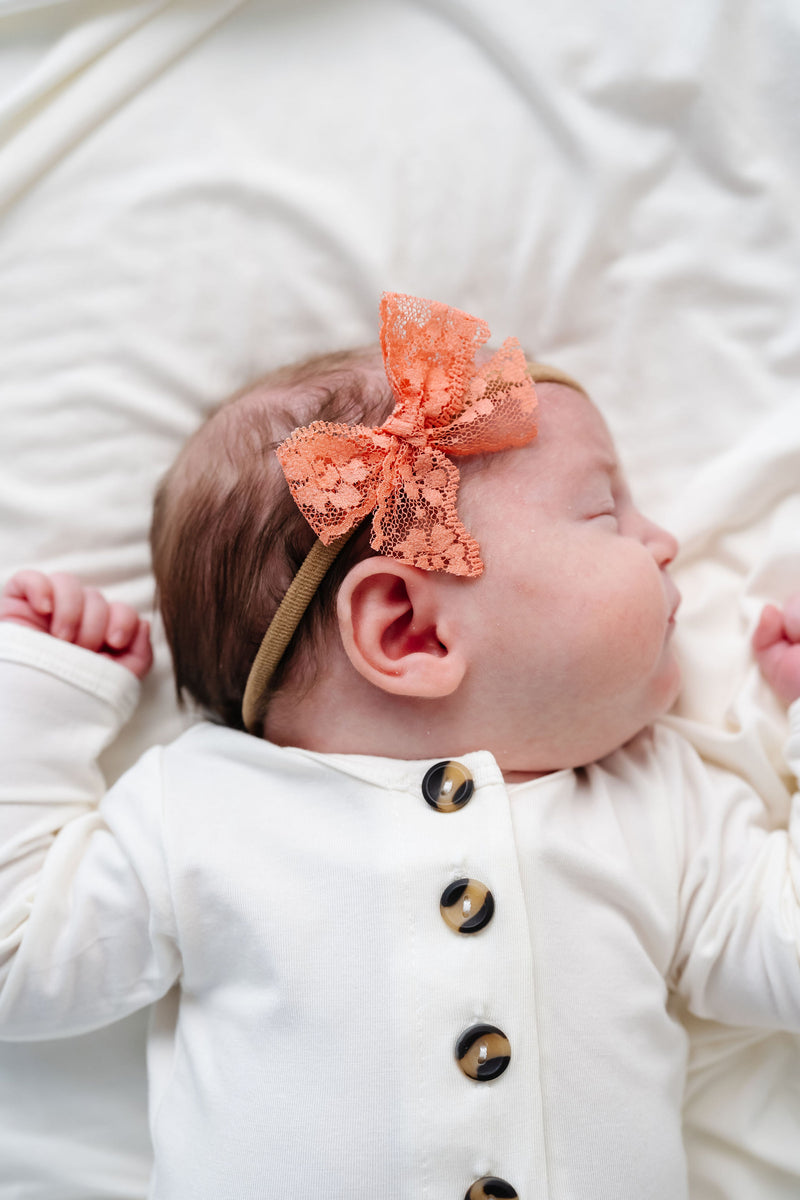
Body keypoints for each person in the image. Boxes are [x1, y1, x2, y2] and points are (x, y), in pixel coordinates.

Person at [0, 293, 798, 1200]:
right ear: (410, 632)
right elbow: (15, 959)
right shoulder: (205, 807)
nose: (667, 543)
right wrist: (39, 695)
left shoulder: (661, 801)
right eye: (606, 514)